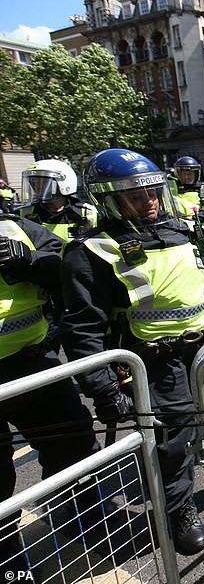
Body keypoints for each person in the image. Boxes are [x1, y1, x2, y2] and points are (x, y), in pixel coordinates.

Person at [60, 148, 204, 556]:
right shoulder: (92, 250)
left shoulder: (184, 230)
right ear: (108, 200)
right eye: (134, 196)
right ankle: (179, 509)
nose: (148, 201)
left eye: (152, 192)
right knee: (172, 442)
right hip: (156, 361)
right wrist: (103, 389)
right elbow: (82, 328)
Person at [0, 215, 101, 570]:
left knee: (73, 441)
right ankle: (9, 561)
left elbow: (63, 266)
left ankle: (79, 515)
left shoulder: (14, 226)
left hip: (32, 362)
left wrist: (29, 263)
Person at [17, 160, 97, 241]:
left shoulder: (88, 214)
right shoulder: (23, 214)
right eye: (33, 183)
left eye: (43, 182)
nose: (37, 187)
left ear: (64, 184)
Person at [170, 155, 204, 221]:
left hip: (200, 227)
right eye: (183, 174)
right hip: (178, 226)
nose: (186, 177)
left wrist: (192, 218)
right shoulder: (171, 187)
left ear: (196, 174)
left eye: (190, 174)